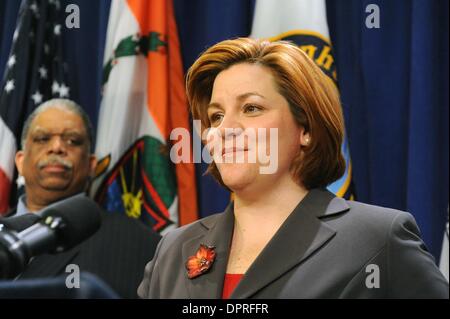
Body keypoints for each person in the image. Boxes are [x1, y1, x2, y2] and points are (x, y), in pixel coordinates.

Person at [138, 38, 449, 299]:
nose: (225, 129)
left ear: (306, 129)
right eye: (216, 116)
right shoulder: (174, 249)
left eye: (251, 108)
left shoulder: (377, 239)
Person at [2, 98, 161, 298]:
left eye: (73, 141)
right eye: (42, 138)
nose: (57, 147)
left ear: (92, 165)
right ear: (20, 161)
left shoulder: (141, 244)